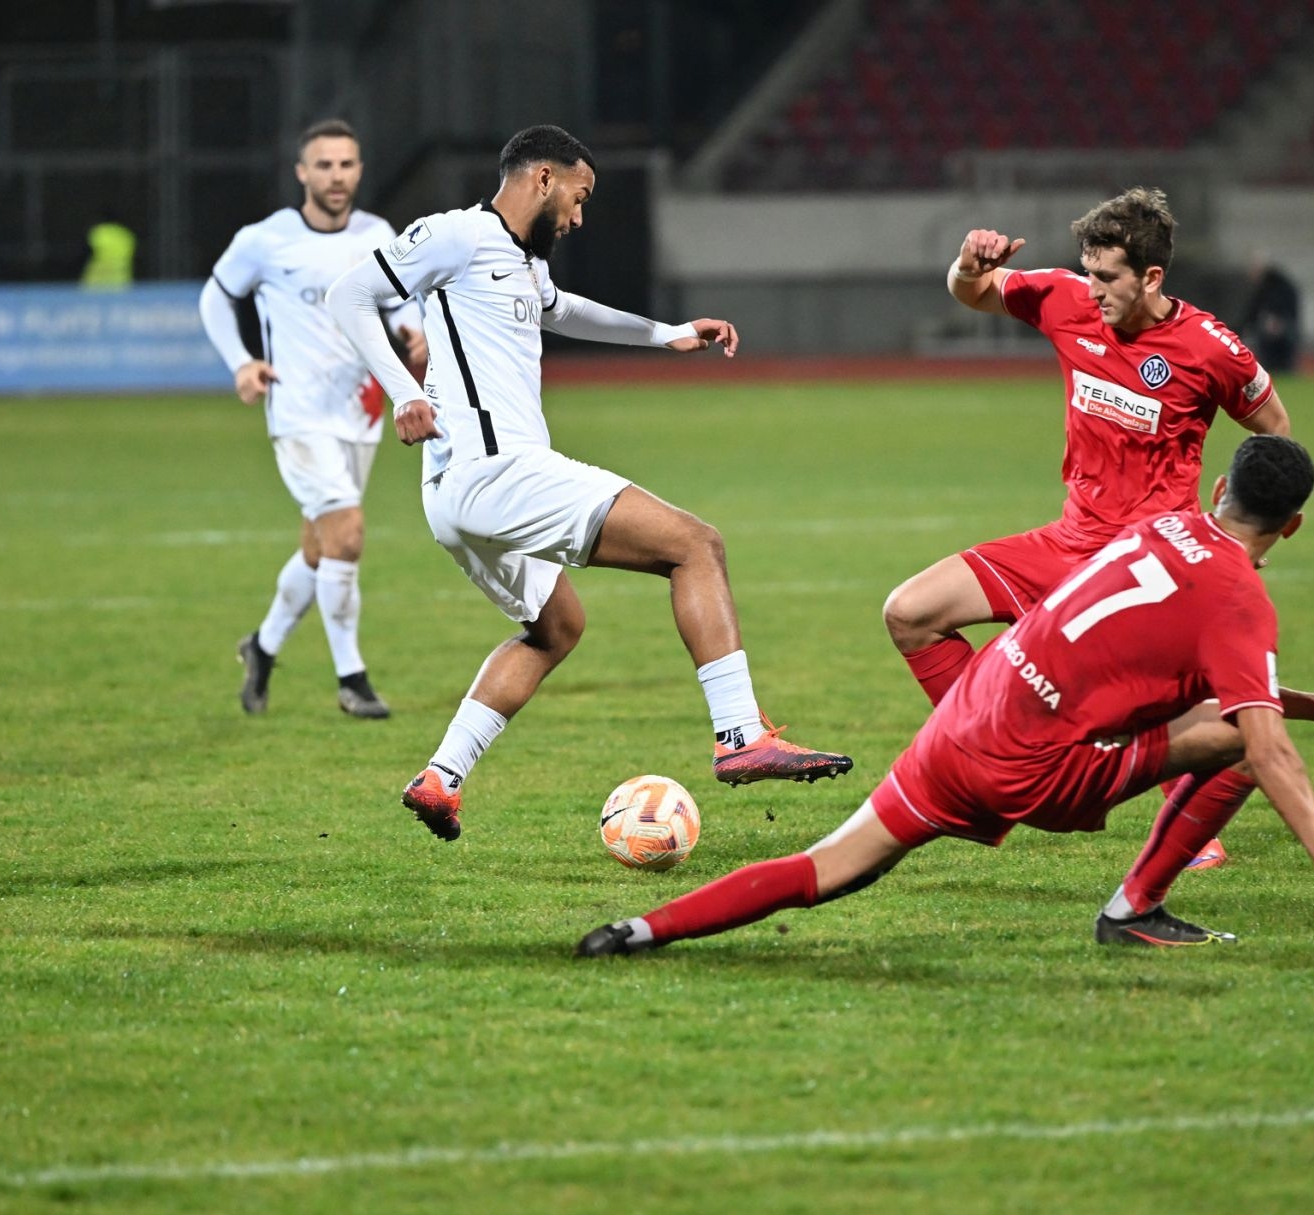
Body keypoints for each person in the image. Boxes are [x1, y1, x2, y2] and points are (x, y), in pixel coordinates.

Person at [580, 436, 1314, 961]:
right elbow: (1263, 736)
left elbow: (1219, 684)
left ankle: (641, 930)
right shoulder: (1240, 602)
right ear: (1291, 528)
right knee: (1246, 749)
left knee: (830, 867)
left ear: (1219, 486)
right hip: (1037, 768)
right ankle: (1134, 906)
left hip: (972, 711)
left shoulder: (1156, 528)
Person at [326, 124, 854, 841]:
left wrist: (663, 333)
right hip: (495, 469)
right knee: (695, 545)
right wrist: (403, 391)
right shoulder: (457, 235)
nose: (579, 216)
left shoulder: (521, 262)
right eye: (579, 196)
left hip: (455, 493)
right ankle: (739, 736)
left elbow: (564, 309)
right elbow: (348, 295)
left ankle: (440, 779)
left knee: (555, 629)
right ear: (542, 178)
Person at [883, 188, 1291, 872]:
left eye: (1107, 277)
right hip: (1068, 543)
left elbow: (1275, 432)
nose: (1091, 288)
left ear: (1151, 278)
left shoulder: (1208, 348)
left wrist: (1245, 529)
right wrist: (966, 262)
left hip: (1146, 565)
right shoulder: (1065, 299)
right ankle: (983, 765)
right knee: (910, 612)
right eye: (1087, 270)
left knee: (1164, 708)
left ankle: (1189, 832)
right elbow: (973, 292)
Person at [200, 119, 427, 719]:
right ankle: (352, 679)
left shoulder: (379, 234)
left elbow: (405, 300)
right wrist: (242, 362)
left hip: (360, 412)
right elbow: (216, 296)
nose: (336, 176)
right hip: (297, 415)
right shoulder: (267, 240)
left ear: (359, 170)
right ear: (302, 172)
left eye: (346, 164)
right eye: (323, 165)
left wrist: (417, 332)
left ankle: (263, 647)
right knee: (347, 534)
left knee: (319, 547)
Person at [1236, 255, 1302, 374]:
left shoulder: (1277, 286)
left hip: (1286, 327)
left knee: (1282, 358)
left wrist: (1279, 320)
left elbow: (1286, 305)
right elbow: (1253, 312)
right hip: (1274, 329)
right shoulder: (1264, 287)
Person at [80, 212, 136, 290]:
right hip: (120, 277)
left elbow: (85, 251)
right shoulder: (126, 234)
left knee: (91, 300)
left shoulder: (99, 232)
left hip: (98, 276)